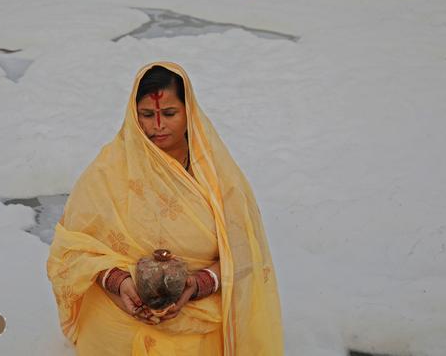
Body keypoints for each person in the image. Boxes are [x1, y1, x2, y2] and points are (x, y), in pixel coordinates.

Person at [46, 61, 284, 355]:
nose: (158, 126)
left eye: (170, 113)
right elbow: (73, 247)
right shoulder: (109, 168)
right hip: (123, 306)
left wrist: (195, 285)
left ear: (189, 111)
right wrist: (119, 284)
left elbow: (247, 254)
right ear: (134, 115)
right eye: (147, 115)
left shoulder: (216, 174)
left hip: (201, 307)